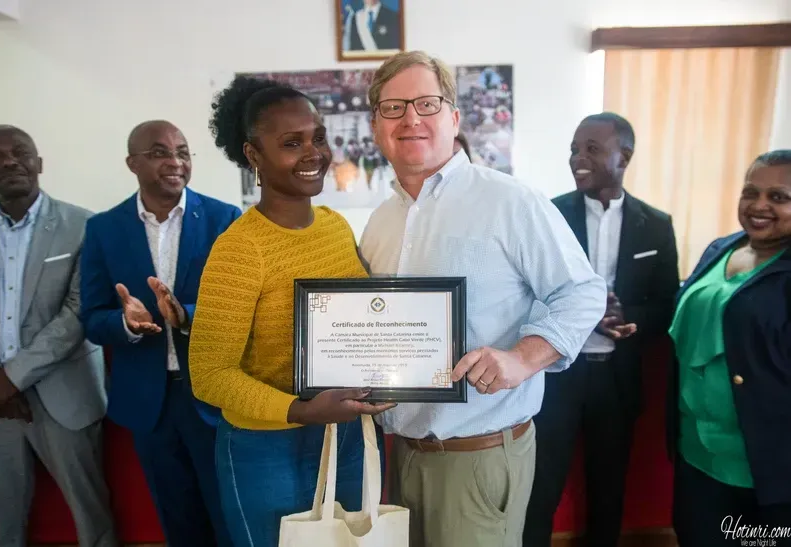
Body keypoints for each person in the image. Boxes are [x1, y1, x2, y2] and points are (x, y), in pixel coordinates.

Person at [358, 50, 607, 547]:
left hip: (479, 454)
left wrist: (522, 358)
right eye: (393, 107)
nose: (410, 118)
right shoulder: (381, 220)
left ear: (453, 117)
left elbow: (582, 291)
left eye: (426, 104)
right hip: (400, 455)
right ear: (376, 126)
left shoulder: (510, 202)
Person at [188, 76, 395, 547]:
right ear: (253, 155)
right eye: (291, 143)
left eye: (318, 137)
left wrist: (398, 369)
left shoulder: (335, 226)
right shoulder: (240, 250)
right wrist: (299, 410)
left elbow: (365, 325)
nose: (313, 153)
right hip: (266, 447)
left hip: (343, 435)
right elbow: (209, 374)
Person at [523, 112, 680, 547]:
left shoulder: (657, 224)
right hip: (556, 376)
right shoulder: (549, 215)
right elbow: (528, 295)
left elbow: (667, 302)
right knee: (541, 487)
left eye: (591, 149)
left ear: (624, 155)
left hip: (618, 378)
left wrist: (633, 320)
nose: (578, 159)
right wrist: (579, 314)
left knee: (609, 489)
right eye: (574, 149)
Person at [79, 120, 240, 547]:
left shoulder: (225, 219)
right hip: (149, 402)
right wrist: (124, 323)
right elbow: (91, 317)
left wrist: (184, 314)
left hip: (211, 394)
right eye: (159, 152)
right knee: (177, 518)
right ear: (132, 162)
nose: (175, 161)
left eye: (183, 151)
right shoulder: (103, 229)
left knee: (228, 514)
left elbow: (242, 308)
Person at [0, 125, 117, 547]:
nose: (9, 161)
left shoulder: (86, 225)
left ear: (39, 163)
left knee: (92, 517)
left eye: (20, 152)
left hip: (65, 395)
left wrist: (12, 376)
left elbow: (79, 311)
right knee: (4, 520)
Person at [668, 150, 791, 547]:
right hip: (697, 452)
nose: (759, 205)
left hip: (765, 465)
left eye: (779, 197)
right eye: (750, 192)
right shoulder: (721, 247)